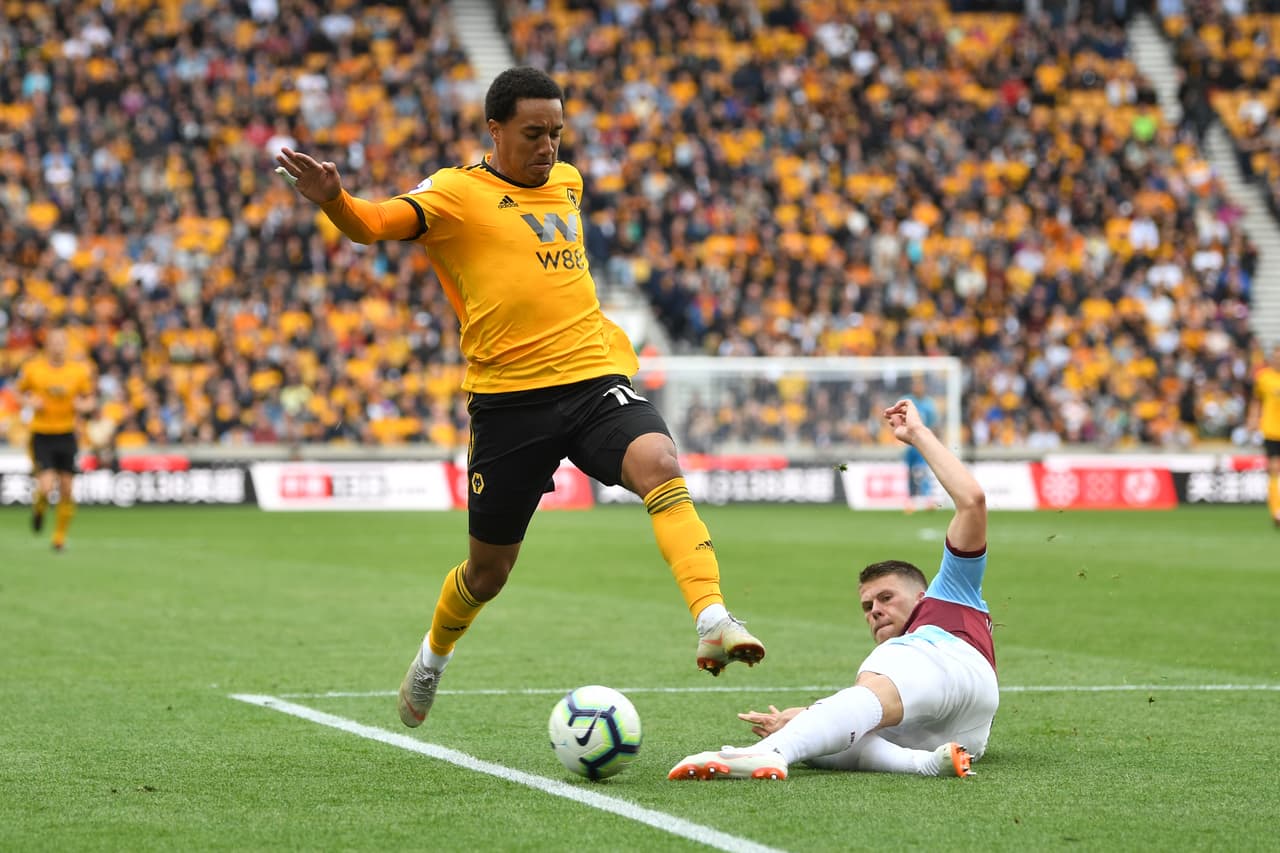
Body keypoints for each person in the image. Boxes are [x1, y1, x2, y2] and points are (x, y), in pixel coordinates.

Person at [275, 66, 766, 729]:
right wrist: (335, 199)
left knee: (660, 465)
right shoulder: (454, 193)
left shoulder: (569, 184)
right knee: (488, 572)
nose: (549, 146)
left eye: (557, 133)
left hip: (593, 378)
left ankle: (712, 617)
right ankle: (432, 656)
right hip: (510, 404)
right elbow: (372, 224)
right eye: (533, 133)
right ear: (495, 130)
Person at [669, 398, 996, 781]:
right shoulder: (903, 676)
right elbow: (860, 715)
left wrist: (917, 434)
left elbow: (972, 502)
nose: (873, 610)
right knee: (837, 739)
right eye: (867, 605)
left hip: (954, 664)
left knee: (850, 710)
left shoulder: (949, 594)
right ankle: (921, 765)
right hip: (964, 732)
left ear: (923, 597)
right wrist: (803, 718)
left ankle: (768, 753)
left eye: (886, 597)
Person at [17, 328, 96, 551]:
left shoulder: (78, 371)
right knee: (46, 486)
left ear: (67, 345)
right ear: (47, 345)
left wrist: (84, 406)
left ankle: (59, 538)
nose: (58, 346)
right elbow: (18, 392)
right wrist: (29, 402)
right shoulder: (33, 369)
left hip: (67, 433)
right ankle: (39, 509)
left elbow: (90, 399)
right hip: (42, 434)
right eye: (54, 342)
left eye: (62, 342)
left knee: (67, 489)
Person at [1247, 344, 1280, 527]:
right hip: (1272, 430)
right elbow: (1256, 399)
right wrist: (1253, 418)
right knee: (1274, 468)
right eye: (1276, 356)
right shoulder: (1264, 377)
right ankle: (1276, 511)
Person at [902, 375, 938, 513]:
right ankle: (909, 501)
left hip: (922, 442)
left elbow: (933, 423)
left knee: (922, 470)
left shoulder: (929, 404)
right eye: (915, 385)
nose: (917, 388)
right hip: (908, 443)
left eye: (920, 385)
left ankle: (928, 499)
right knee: (909, 472)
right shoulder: (906, 401)